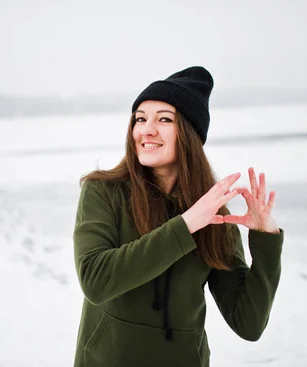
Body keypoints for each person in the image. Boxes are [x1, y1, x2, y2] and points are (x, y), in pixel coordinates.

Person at [72, 66, 284, 367]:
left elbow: (248, 323)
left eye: (164, 119)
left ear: (189, 133)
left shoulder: (213, 215)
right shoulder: (103, 192)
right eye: (140, 118)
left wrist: (266, 242)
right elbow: (95, 281)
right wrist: (186, 226)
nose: (146, 129)